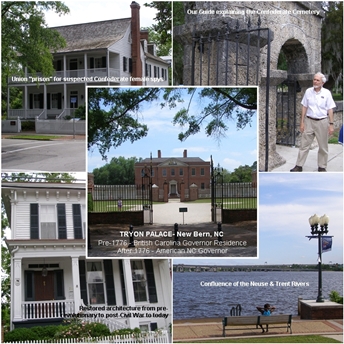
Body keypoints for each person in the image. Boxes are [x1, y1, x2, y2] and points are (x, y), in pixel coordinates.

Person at [290, 72, 336, 172]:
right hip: (309, 121)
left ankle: (322, 166)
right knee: (304, 145)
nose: (315, 81)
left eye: (317, 80)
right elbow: (304, 107)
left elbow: (330, 109)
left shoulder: (327, 93)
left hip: (322, 122)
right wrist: (302, 122)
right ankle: (299, 165)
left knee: (323, 146)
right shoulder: (308, 91)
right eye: (314, 79)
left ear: (322, 82)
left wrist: (331, 124)